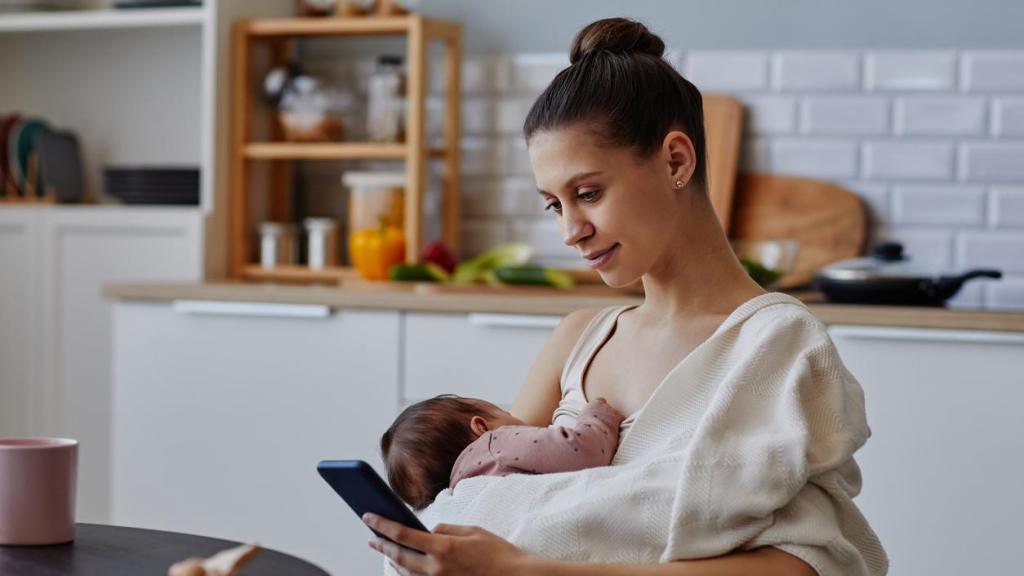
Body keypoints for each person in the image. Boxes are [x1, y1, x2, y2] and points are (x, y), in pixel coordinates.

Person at [365, 17, 888, 576]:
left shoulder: (775, 345)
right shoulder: (578, 339)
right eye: (555, 205)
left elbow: (805, 564)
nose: (571, 231)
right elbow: (494, 505)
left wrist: (526, 572)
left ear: (676, 161)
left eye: (588, 193)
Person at [380, 395, 624, 510]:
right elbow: (585, 452)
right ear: (481, 426)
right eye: (502, 411)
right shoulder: (494, 444)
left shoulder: (462, 495)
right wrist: (597, 415)